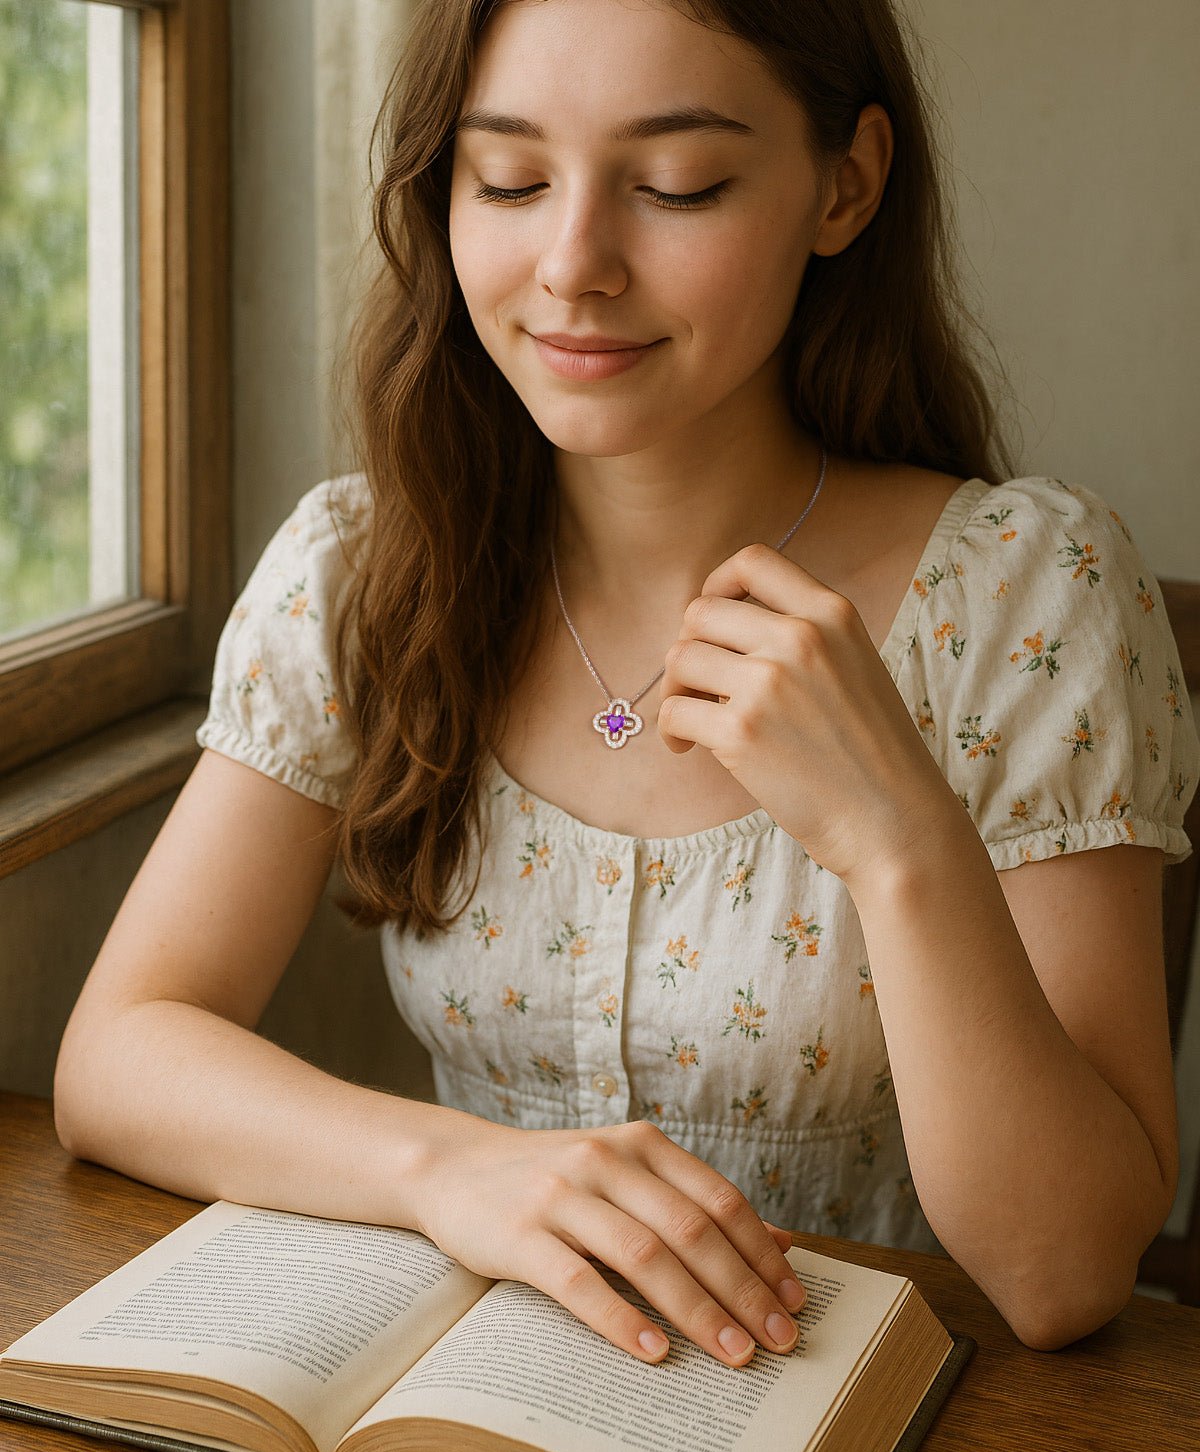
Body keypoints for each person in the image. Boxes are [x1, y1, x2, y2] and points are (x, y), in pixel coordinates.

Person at [54, 0, 1198, 1368]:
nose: (575, 264)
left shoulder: (1024, 591)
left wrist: (898, 840)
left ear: (847, 183)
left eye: (677, 186)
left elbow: (1066, 1274)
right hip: (491, 1411)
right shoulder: (367, 568)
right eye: (512, 181)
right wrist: (456, 1171)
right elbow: (120, 1053)